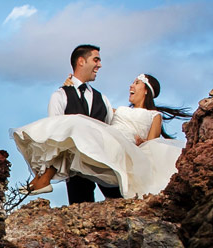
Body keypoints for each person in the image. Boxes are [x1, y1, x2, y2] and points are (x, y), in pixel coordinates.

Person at [13, 50, 188, 202]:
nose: (131, 86)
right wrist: (71, 86)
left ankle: (43, 179)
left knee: (75, 127)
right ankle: (43, 178)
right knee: (74, 131)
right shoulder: (118, 110)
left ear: (146, 90)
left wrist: (141, 143)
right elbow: (101, 116)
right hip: (110, 140)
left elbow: (153, 144)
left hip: (125, 148)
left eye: (136, 83)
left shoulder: (153, 115)